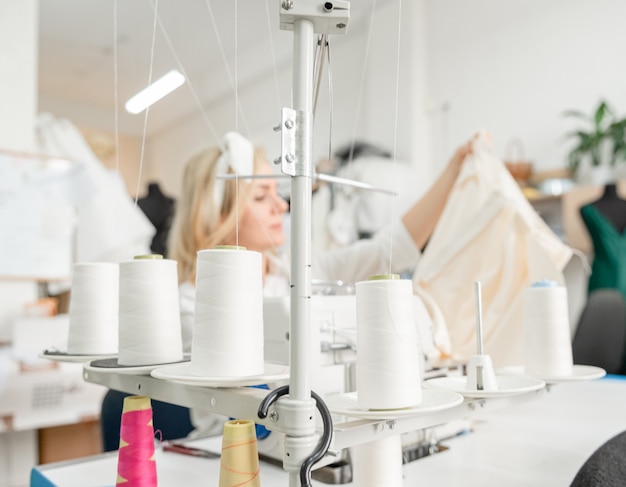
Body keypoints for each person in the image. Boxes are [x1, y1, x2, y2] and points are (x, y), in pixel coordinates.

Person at [168, 131, 473, 353]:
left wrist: (454, 170)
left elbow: (388, 250)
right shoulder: (190, 303)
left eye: (277, 191)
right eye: (261, 196)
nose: (281, 205)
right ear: (218, 215)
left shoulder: (300, 271)